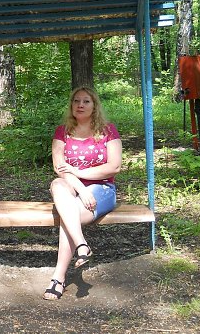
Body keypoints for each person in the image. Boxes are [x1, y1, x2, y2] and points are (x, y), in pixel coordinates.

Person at [43, 86, 122, 300]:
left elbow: (114, 167)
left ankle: (58, 278)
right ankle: (81, 244)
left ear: (94, 106)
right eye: (76, 101)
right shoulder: (62, 132)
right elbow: (60, 167)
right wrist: (80, 188)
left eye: (86, 101)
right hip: (72, 187)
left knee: (69, 217)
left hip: (102, 188)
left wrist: (78, 172)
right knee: (57, 184)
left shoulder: (108, 131)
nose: (80, 105)